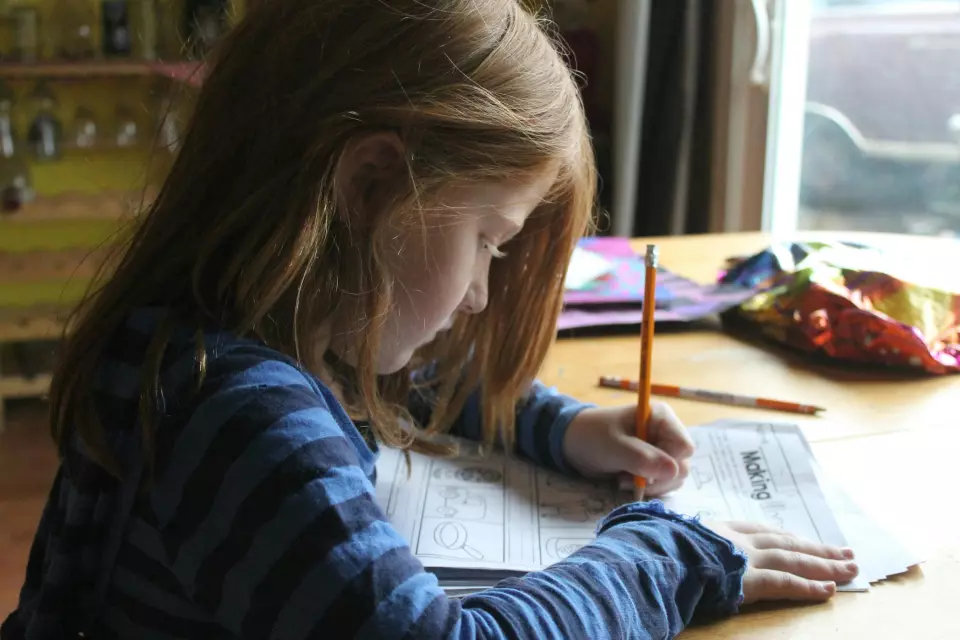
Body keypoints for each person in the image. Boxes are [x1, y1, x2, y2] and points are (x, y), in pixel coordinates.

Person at [1, 1, 858, 638]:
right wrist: (665, 557)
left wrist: (564, 428)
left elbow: (405, 380)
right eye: (488, 240)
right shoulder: (242, 418)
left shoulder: (219, 329)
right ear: (371, 184)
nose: (481, 292)